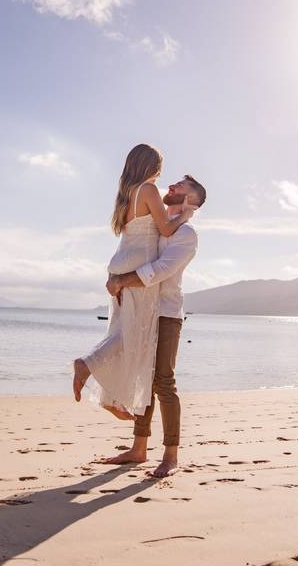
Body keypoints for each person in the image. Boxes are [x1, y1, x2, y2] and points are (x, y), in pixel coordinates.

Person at [72, 144, 196, 421]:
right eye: (160, 167)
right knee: (134, 336)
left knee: (121, 332)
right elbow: (165, 228)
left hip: (120, 262)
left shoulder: (126, 194)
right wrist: (186, 216)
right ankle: (89, 367)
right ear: (152, 166)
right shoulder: (148, 190)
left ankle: (113, 398)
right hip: (137, 266)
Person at [100, 175, 206, 478]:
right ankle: (139, 449)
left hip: (167, 313)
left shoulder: (186, 234)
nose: (170, 187)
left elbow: (160, 270)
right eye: (173, 184)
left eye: (180, 188)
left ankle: (171, 455)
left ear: (191, 201)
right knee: (142, 376)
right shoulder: (159, 225)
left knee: (163, 382)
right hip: (141, 310)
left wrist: (122, 280)